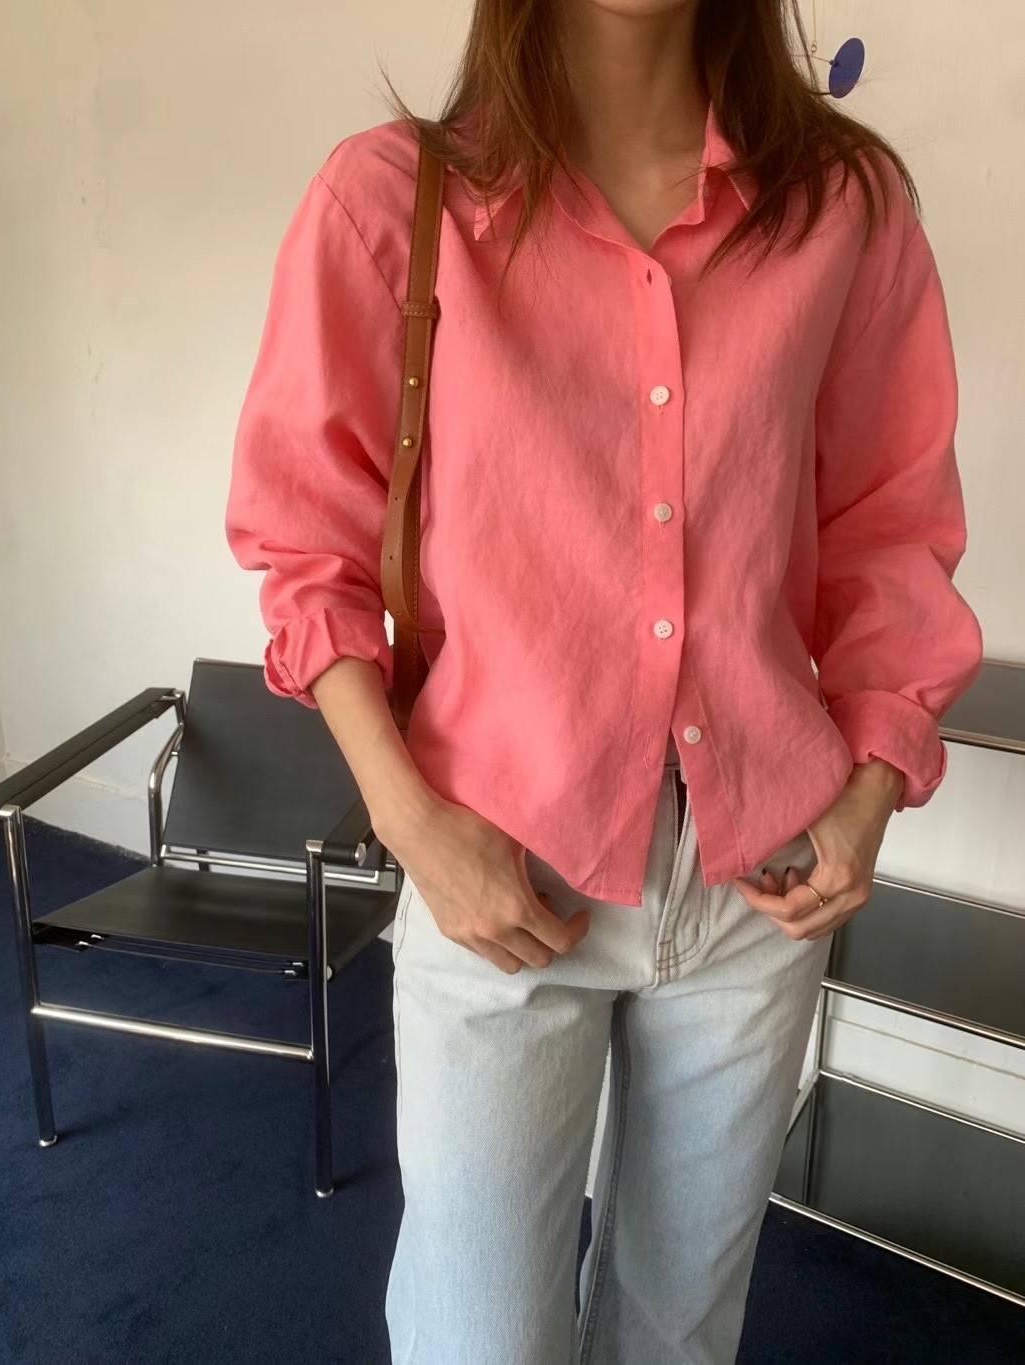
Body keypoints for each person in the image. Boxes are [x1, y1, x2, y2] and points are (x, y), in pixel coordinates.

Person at [225, 1, 984, 1359]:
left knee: (679, 1333)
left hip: (760, 880)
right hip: (498, 867)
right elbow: (305, 547)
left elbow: (888, 530)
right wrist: (412, 826)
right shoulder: (391, 202)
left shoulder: (843, 208)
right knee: (478, 1339)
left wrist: (872, 783)